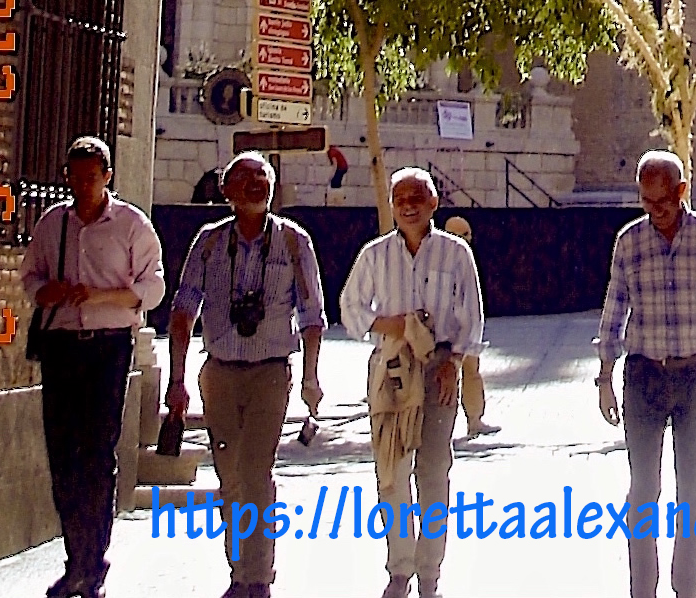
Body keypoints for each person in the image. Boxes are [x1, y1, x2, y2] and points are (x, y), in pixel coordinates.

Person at [597, 150, 696, 598]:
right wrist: (605, 378)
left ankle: (687, 588)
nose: (655, 212)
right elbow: (613, 313)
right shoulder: (629, 243)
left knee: (694, 492)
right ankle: (641, 592)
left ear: (682, 192)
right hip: (644, 377)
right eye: (646, 203)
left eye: (662, 202)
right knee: (642, 492)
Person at [166, 151, 326, 598]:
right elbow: (183, 310)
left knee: (256, 472)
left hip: (270, 374)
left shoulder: (295, 242)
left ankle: (256, 577)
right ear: (227, 192)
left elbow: (312, 314)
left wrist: (311, 378)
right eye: (247, 178)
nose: (257, 184)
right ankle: (241, 567)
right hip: (219, 373)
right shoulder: (211, 242)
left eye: (264, 176)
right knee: (229, 476)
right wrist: (176, 382)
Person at [20, 135, 165, 598]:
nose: (83, 186)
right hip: (62, 347)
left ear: (107, 177)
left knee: (98, 453)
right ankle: (73, 557)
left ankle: (93, 559)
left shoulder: (130, 225)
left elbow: (153, 287)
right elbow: (31, 278)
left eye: (91, 177)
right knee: (63, 455)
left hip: (107, 347)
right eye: (76, 177)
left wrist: (98, 296)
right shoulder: (52, 224)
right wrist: (51, 291)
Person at [341, 167, 485, 598]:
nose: (408, 204)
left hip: (438, 368)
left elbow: (472, 317)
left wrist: (453, 362)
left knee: (434, 473)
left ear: (433, 203)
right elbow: (350, 310)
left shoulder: (456, 253)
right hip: (391, 372)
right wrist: (395, 325)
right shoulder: (374, 254)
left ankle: (429, 575)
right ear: (391, 203)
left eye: (417, 197)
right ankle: (398, 572)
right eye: (400, 197)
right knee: (391, 473)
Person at [441, 215, 499, 438]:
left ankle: (474, 419)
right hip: (445, 328)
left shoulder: (465, 258)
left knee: (471, 372)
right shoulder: (440, 257)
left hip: (463, 327)